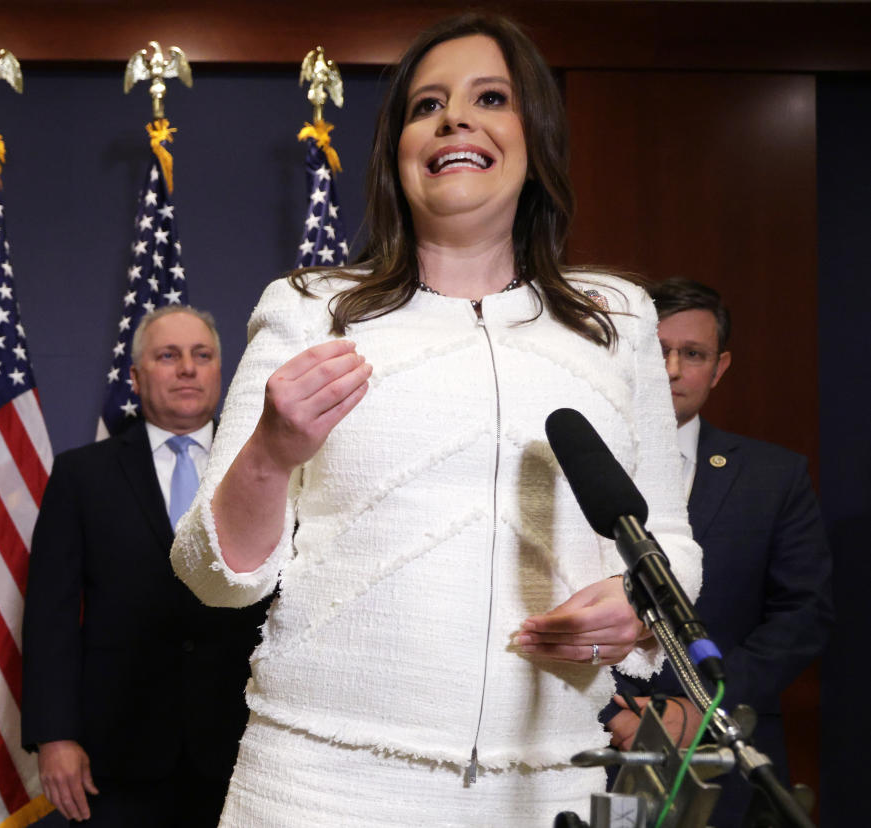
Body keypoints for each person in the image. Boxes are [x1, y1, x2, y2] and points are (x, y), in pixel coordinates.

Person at [170, 13, 701, 826]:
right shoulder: (309, 308)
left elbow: (669, 538)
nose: (454, 117)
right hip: (323, 782)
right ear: (397, 154)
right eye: (426, 105)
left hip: (552, 782)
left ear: (535, 141)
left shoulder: (616, 318)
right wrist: (272, 452)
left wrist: (639, 602)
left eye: (490, 97)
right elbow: (210, 574)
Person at [21, 306, 269, 826]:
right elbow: (51, 617)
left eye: (202, 356)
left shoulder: (263, 469)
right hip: (116, 757)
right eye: (168, 356)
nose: (187, 368)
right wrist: (54, 735)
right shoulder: (80, 476)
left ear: (221, 373)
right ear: (135, 377)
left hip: (243, 747)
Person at [606, 278, 833, 826]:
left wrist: (701, 707)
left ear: (720, 367)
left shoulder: (775, 476)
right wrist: (601, 709)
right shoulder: (570, 467)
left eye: (694, 353)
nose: (673, 370)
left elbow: (803, 617)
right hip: (589, 747)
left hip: (724, 761)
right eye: (657, 351)